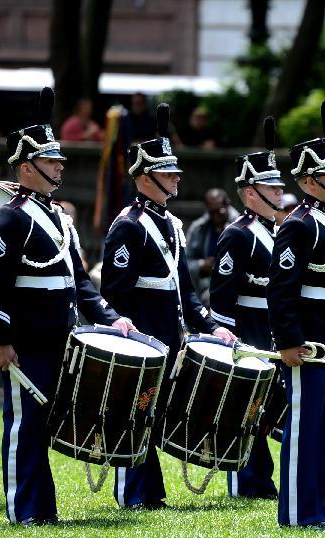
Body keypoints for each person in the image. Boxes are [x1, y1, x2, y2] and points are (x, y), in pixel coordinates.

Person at [0, 87, 134, 525]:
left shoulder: (60, 216)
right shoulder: (10, 217)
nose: (60, 165)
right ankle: (24, 511)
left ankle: (43, 509)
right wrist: (2, 340)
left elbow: (78, 281)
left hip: (62, 340)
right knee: (24, 429)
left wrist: (110, 318)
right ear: (27, 168)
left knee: (44, 426)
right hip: (25, 343)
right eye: (50, 161)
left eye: (58, 159)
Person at [101, 103, 235, 510]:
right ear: (144, 178)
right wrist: (130, 340)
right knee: (134, 414)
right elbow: (114, 293)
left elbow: (187, 292)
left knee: (155, 415)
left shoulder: (171, 224)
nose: (177, 176)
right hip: (142, 339)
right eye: (167, 171)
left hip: (171, 337)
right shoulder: (128, 225)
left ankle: (151, 491)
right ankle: (132, 491)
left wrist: (211, 327)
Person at [269, 99, 325, 529]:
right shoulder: (299, 224)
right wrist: (287, 341)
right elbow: (281, 289)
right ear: (308, 180)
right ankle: (299, 512)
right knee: (304, 430)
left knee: (324, 430)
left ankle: (315, 508)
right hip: (307, 343)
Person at [209, 117, 285, 500]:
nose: (280, 193)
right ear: (251, 192)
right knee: (249, 409)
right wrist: (230, 340)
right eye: (272, 186)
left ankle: (261, 475)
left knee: (270, 407)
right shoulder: (237, 234)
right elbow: (222, 295)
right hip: (249, 328)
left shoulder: (275, 230)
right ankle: (245, 478)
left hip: (271, 326)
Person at [186, 188, 239, 302]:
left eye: (219, 211)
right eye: (212, 212)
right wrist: (202, 265)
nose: (216, 216)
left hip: (235, 285)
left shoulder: (241, 227)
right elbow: (185, 262)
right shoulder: (198, 228)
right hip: (206, 286)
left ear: (227, 205)